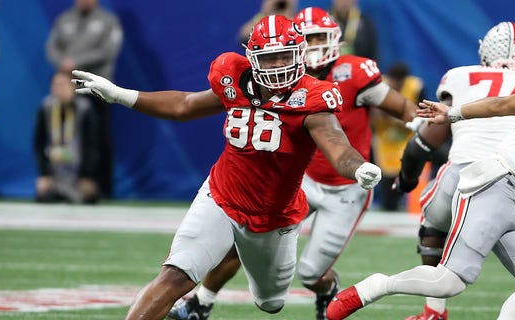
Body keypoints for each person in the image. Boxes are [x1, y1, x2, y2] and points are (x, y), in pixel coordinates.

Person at [72, 15, 383, 320]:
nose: (277, 66)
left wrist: (357, 168)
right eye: (269, 58)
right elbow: (185, 105)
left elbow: (338, 147)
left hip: (275, 218)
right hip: (221, 198)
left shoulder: (312, 98)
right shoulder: (234, 78)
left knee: (270, 301)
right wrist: (120, 94)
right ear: (252, 59)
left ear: (299, 55)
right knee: (175, 277)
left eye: (283, 57)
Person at [166, 8, 418, 320]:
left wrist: (425, 130)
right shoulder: (278, 79)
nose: (313, 46)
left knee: (312, 273)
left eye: (318, 38)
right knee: (241, 236)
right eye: (307, 39)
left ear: (334, 41)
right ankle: (201, 301)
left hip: (345, 188)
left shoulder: (354, 72)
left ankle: (325, 291)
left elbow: (402, 108)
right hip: (305, 181)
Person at [327, 35, 515, 320]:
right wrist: (451, 115)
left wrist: (453, 112)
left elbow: (501, 105)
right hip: (496, 186)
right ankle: (376, 286)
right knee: (449, 281)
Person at [46, 0, 123, 199]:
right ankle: (62, 185)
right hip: (68, 87)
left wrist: (76, 62)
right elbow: (51, 46)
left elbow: (108, 51)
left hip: (98, 88)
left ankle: (102, 187)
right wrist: (63, 63)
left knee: (99, 137)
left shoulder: (108, 21)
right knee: (64, 135)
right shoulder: (64, 20)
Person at [33, 72, 100, 204]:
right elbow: (38, 143)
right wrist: (44, 174)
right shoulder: (46, 107)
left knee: (89, 195)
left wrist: (86, 175)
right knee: (43, 194)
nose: (59, 89)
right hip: (54, 172)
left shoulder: (84, 109)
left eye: (63, 85)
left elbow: (92, 145)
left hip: (78, 172)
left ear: (73, 87)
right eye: (56, 85)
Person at [370, 62, 426, 211]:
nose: (396, 85)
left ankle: (405, 201)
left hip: (407, 136)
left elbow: (420, 117)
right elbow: (372, 114)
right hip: (383, 137)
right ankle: (385, 202)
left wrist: (395, 117)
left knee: (405, 170)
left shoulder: (416, 87)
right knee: (384, 174)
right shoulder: (379, 86)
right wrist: (378, 115)